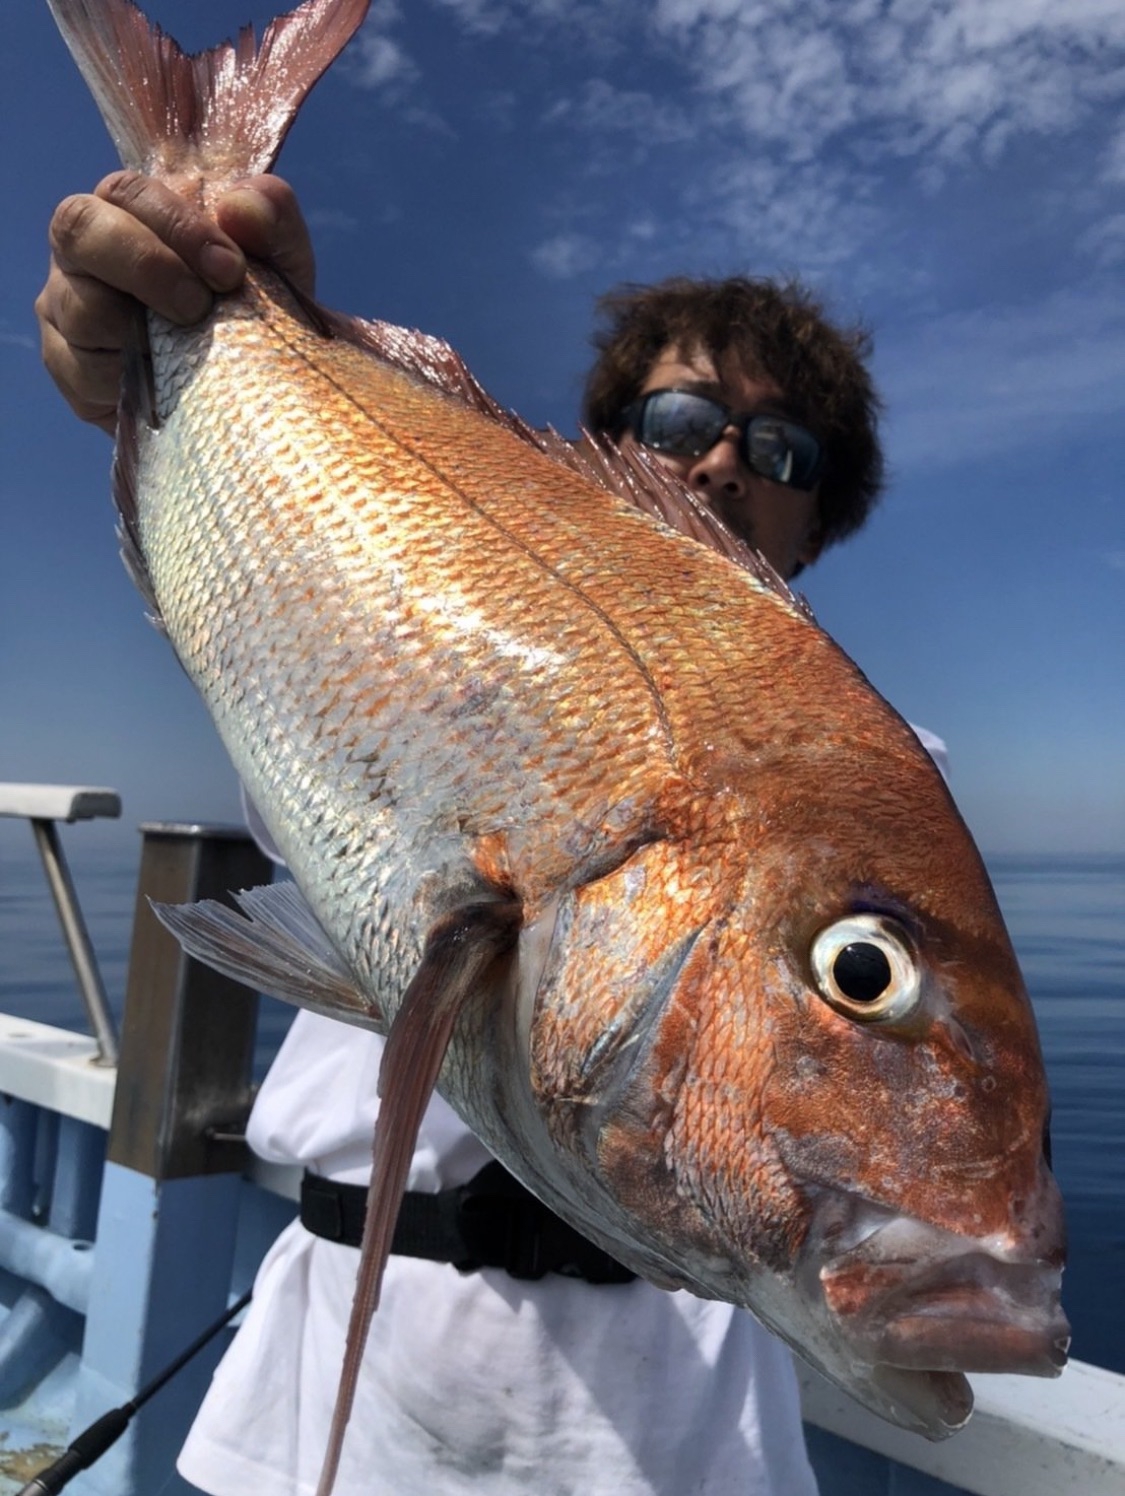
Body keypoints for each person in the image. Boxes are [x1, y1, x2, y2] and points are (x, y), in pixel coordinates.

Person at [36, 169, 926, 1496]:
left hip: (670, 1433)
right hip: (334, 1390)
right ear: (595, 445)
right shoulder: (428, 642)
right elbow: (301, 637)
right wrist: (160, 370)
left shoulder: (875, 802)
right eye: (680, 415)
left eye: (783, 449)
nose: (727, 458)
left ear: (819, 515)